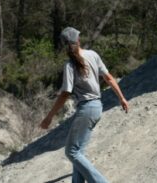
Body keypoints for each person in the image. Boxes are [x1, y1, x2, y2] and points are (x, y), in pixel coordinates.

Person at [39, 26, 130, 183]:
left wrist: (49, 117)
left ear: (63, 45)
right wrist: (121, 98)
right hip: (97, 107)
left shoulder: (69, 65)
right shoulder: (92, 55)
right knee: (78, 151)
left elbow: (66, 93)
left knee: (71, 152)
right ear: (78, 39)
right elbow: (108, 77)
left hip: (86, 109)